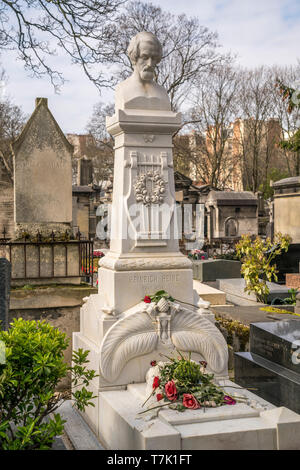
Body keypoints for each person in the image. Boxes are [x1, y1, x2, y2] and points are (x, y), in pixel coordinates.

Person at [115, 31, 171, 111]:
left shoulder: (162, 93)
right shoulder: (122, 89)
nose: (150, 64)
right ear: (134, 58)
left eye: (154, 58)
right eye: (145, 57)